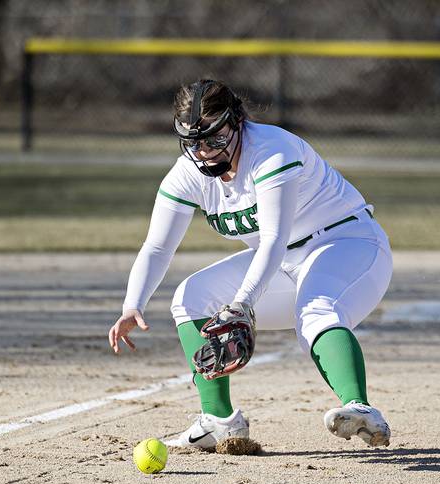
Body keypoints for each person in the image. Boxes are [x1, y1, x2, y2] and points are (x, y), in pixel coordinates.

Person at [108, 79, 393, 449]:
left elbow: (273, 238)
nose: (205, 151)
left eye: (214, 138)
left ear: (238, 120)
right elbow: (158, 247)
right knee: (191, 297)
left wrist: (242, 303)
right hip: (283, 262)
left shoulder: (272, 150)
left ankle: (360, 408)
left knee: (316, 309)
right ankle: (220, 421)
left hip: (348, 243)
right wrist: (134, 304)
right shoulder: (188, 173)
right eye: (194, 142)